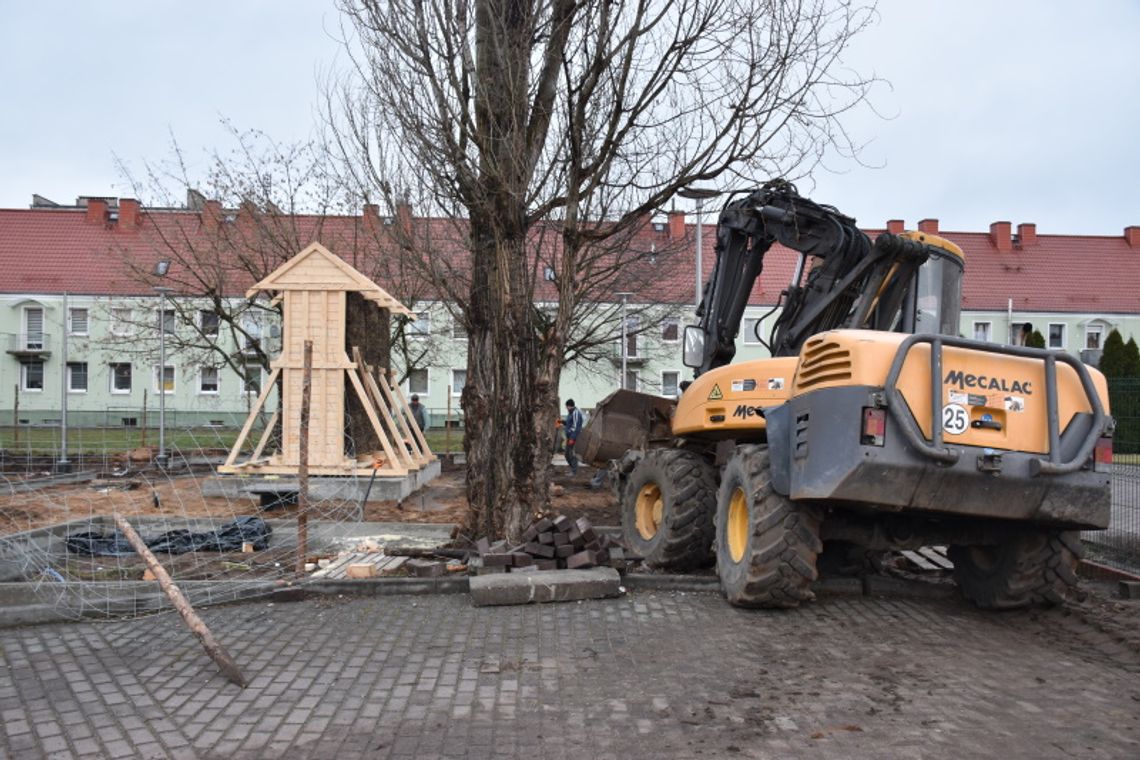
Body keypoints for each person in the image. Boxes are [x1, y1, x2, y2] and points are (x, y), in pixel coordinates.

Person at [563, 399, 585, 476]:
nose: (566, 408)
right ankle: (573, 469)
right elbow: (569, 424)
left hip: (573, 438)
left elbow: (576, 427)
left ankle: (574, 471)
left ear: (569, 406)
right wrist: (561, 422)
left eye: (566, 406)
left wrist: (572, 438)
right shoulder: (571, 413)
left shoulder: (576, 413)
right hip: (569, 437)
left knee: (571, 454)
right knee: (566, 454)